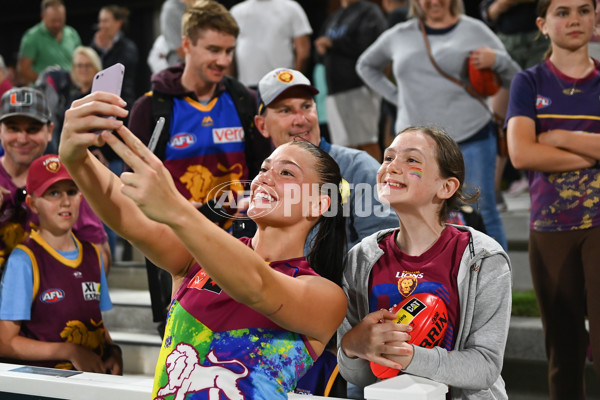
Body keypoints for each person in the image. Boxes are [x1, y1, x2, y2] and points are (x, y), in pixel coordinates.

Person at [58, 89, 348, 397]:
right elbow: (127, 214)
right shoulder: (195, 259)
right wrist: (76, 158)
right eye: (264, 169)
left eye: (286, 172)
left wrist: (175, 209)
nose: (265, 177)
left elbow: (257, 285)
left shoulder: (326, 297)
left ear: (319, 204)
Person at [337, 126, 512, 399]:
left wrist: (407, 356)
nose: (392, 167)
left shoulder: (483, 257)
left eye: (411, 160)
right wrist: (351, 346)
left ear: (446, 187)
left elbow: (485, 367)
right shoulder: (361, 258)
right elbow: (359, 376)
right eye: (388, 158)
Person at [356, 0, 521, 251]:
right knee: (419, 212)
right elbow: (365, 65)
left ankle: (497, 281)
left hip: (472, 134)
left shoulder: (474, 29)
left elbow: (515, 76)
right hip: (416, 148)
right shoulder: (400, 34)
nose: (434, 1)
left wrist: (496, 59)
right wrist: (397, 98)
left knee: (483, 209)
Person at [505, 0, 600, 396]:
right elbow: (522, 153)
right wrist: (593, 150)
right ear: (543, 25)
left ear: (596, 18)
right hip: (550, 227)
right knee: (563, 352)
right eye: (562, 12)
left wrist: (558, 137)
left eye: (583, 10)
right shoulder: (528, 82)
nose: (574, 19)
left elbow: (538, 146)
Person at [0, 154, 121, 374]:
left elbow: (96, 323)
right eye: (53, 193)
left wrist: (112, 349)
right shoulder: (24, 260)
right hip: (45, 388)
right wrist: (70, 351)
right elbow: (6, 342)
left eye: (72, 191)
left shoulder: (93, 254)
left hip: (91, 384)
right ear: (32, 203)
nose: (65, 201)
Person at [255, 68, 398, 251]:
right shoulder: (263, 179)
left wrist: (313, 274)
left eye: (306, 106)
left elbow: (383, 249)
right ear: (262, 126)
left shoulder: (358, 168)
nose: (301, 120)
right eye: (286, 110)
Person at [0, 87, 111, 274]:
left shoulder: (68, 180)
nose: (22, 138)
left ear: (50, 131)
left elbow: (101, 262)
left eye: (32, 129)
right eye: (13, 128)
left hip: (52, 298)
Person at [315, 0, 387, 161]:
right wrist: (321, 49)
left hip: (359, 87)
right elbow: (320, 55)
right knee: (343, 147)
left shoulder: (368, 11)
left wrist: (334, 44)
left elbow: (371, 46)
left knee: (367, 141)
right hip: (334, 90)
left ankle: (377, 184)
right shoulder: (334, 17)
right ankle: (354, 185)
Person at [230, 0, 312, 88]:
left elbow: (303, 51)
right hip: (245, 87)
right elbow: (228, 50)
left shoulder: (291, 8)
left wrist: (294, 83)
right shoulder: (236, 11)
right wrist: (230, 86)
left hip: (281, 85)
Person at [17, 0, 81, 87]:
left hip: (70, 89)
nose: (57, 24)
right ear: (43, 16)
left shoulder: (72, 34)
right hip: (43, 92)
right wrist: (47, 82)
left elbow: (80, 60)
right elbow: (23, 69)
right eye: (53, 21)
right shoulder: (32, 37)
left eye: (60, 20)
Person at [90, 5, 140, 108]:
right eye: (100, 21)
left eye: (105, 21)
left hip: (122, 102)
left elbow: (115, 74)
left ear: (118, 23)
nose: (101, 26)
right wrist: (97, 50)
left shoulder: (128, 47)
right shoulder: (95, 46)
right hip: (99, 101)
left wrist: (106, 50)